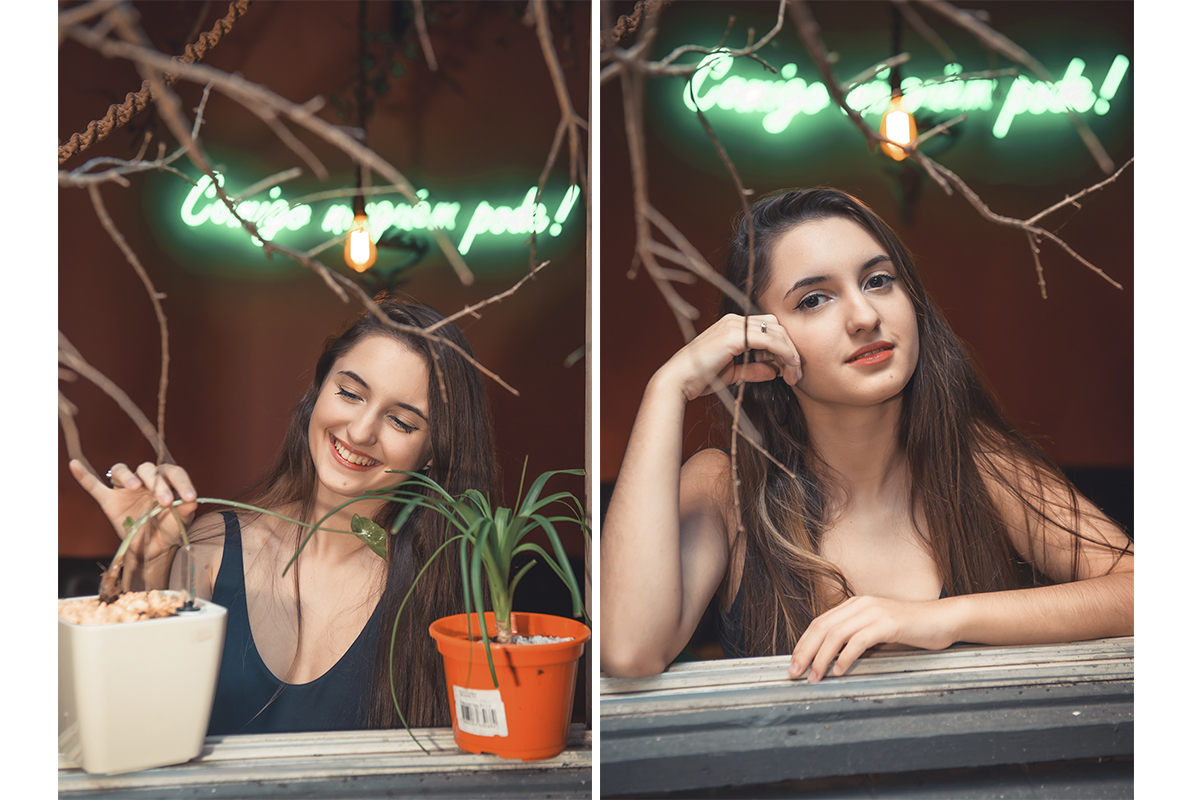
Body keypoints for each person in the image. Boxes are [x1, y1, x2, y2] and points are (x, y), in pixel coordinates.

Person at [600, 187, 1133, 681]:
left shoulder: (977, 463)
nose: (864, 315)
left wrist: (941, 619)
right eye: (814, 299)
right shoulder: (724, 489)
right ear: (759, 337)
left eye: (878, 280)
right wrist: (667, 387)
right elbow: (628, 651)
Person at [69, 298, 497, 733]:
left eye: (402, 422)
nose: (361, 431)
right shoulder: (213, 548)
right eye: (349, 393)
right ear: (317, 393)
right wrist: (148, 557)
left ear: (431, 453)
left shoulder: (443, 586)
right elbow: (129, 716)